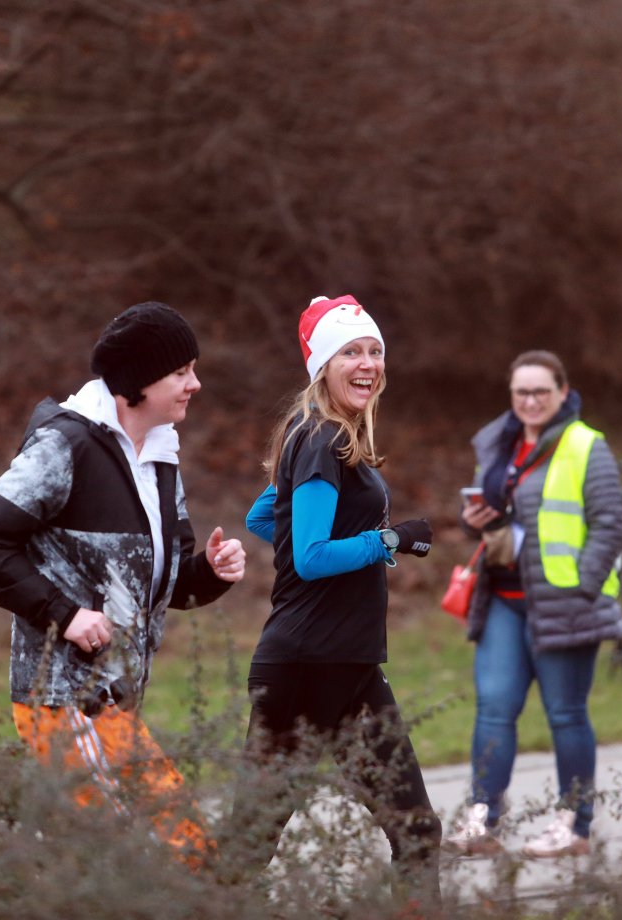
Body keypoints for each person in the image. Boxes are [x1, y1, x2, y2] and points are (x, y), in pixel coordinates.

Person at [0, 301, 246, 865]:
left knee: (134, 861)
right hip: (62, 701)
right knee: (167, 857)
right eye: (181, 372)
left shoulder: (161, 457)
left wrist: (209, 573)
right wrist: (64, 615)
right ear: (138, 382)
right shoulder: (64, 447)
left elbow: (167, 587)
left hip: (113, 701)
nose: (196, 383)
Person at [227, 294, 441, 903]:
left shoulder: (324, 435)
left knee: (417, 830)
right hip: (306, 668)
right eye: (352, 351)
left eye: (375, 350)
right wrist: (389, 539)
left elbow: (264, 516)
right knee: (249, 844)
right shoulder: (322, 439)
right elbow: (311, 556)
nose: (368, 362)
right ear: (324, 364)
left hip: (344, 666)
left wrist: (361, 547)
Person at [441, 350, 622, 860]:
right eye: (521, 391)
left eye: (541, 391)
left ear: (563, 392)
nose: (530, 400)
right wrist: (472, 521)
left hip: (564, 603)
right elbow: (493, 518)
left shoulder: (587, 446)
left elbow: (611, 523)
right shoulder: (497, 443)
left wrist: (583, 587)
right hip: (503, 597)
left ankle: (574, 825)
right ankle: (483, 819)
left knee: (566, 714)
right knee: (494, 709)